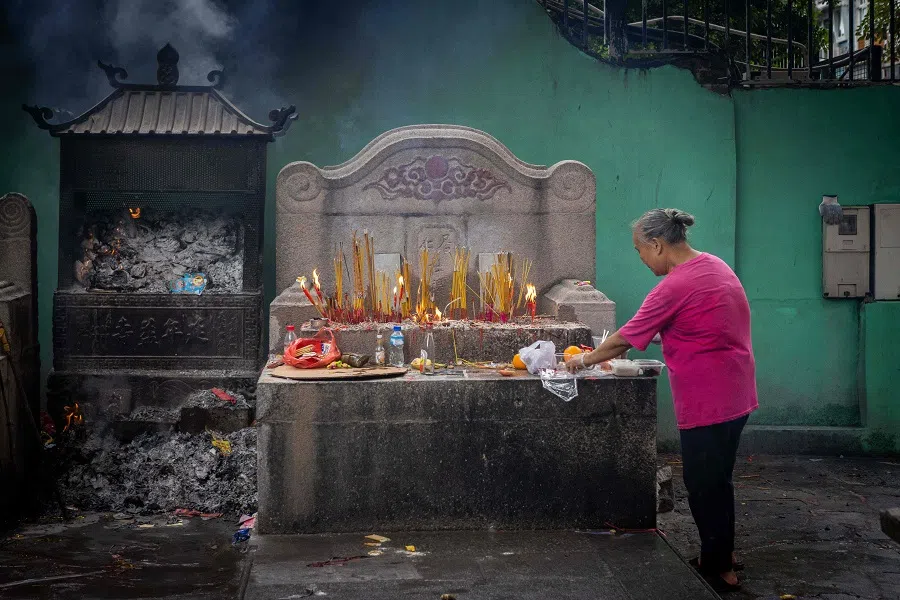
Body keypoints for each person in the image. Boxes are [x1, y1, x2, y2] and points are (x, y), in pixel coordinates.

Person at [566, 208, 758, 593]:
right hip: (738, 391)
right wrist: (666, 334)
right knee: (718, 477)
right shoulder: (714, 266)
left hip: (708, 398)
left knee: (703, 483)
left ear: (657, 245)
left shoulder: (674, 285)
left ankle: (719, 567)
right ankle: (723, 549)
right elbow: (705, 322)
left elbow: (622, 338)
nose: (640, 259)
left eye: (640, 251)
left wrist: (580, 360)